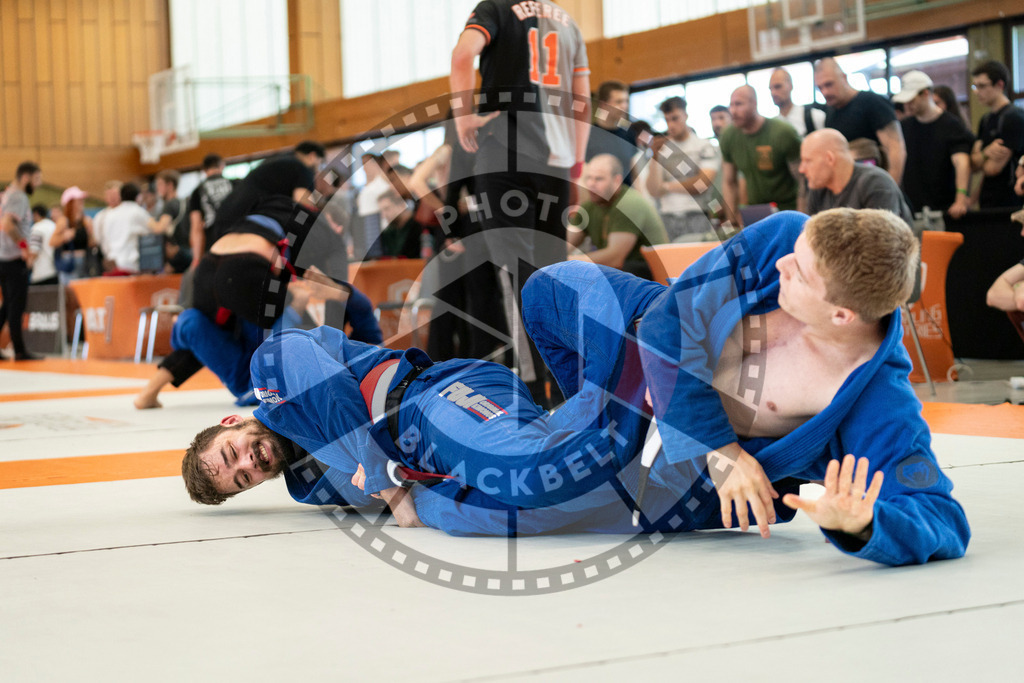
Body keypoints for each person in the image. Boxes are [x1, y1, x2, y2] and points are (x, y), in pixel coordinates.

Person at [181, 210, 970, 566]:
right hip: (634, 359)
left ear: (842, 312)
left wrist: (866, 525)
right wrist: (722, 446)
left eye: (797, 273)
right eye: (240, 475)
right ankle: (576, 423)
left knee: (531, 485)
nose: (781, 264)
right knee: (553, 288)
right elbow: (666, 329)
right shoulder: (780, 239)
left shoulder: (876, 402)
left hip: (657, 470)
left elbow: (942, 520)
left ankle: (551, 448)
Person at [450, 0, 591, 406]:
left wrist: (462, 118)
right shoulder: (570, 24)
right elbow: (581, 97)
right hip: (556, 163)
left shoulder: (495, 8)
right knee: (554, 278)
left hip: (504, 155)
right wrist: (576, 162)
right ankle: (573, 391)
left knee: (517, 278)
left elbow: (462, 56)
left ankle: (535, 397)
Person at [134, 195, 382, 410]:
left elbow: (357, 319)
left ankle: (150, 391)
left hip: (257, 378)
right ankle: (150, 391)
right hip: (257, 364)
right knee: (195, 320)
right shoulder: (293, 268)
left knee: (191, 321)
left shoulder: (300, 267)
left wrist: (321, 297)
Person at [892, 70, 974, 219]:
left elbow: (961, 162)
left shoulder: (951, 124)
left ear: (925, 94)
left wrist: (960, 199)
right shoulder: (904, 126)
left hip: (943, 209)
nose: (908, 106)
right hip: (912, 209)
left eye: (911, 100)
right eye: (905, 102)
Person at [569, 154, 667, 278]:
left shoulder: (629, 203)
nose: (591, 184)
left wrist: (567, 260)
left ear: (616, 180)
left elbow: (614, 258)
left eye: (599, 179)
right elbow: (565, 243)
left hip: (649, 274)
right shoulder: (590, 206)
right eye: (589, 178)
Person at [815, 57, 906, 185]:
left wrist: (891, 189)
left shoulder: (872, 102)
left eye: (829, 84)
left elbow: (895, 148)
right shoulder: (830, 114)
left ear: (844, 77)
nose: (825, 92)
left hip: (878, 185)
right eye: (820, 87)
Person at [720, 85, 803, 220]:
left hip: (788, 211)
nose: (733, 111)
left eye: (739, 104)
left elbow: (802, 181)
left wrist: (802, 219)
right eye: (731, 105)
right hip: (756, 213)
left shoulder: (783, 132)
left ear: (755, 104)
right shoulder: (728, 136)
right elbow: (729, 182)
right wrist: (732, 219)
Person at [801, 129, 913, 226]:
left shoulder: (875, 183)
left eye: (808, 161)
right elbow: (811, 240)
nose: (801, 169)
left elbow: (881, 244)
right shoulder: (818, 189)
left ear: (830, 159)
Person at [645, 96, 719, 241]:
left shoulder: (703, 146)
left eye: (675, 118)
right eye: (667, 120)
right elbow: (653, 191)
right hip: (668, 216)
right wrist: (654, 157)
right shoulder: (662, 149)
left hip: (697, 214)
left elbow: (701, 185)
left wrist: (666, 186)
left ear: (685, 116)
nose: (671, 125)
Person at [1, 161, 43, 360]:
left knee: (8, 304)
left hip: (3, 257)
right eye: (36, 180)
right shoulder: (18, 196)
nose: (37, 185)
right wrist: (24, 248)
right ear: (26, 177)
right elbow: (8, 225)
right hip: (12, 258)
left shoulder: (7, 194)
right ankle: (19, 350)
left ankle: (18, 348)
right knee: (16, 304)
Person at [969, 60, 1024, 210]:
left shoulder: (1013, 118)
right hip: (988, 202)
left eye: (982, 86)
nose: (976, 92)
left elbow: (992, 169)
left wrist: (980, 157)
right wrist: (986, 153)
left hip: (1010, 202)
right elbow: (972, 165)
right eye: (975, 86)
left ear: (999, 85)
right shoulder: (985, 120)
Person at [585, 80, 638, 185]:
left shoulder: (629, 134)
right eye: (618, 102)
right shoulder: (588, 136)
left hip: (627, 197)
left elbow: (635, 175)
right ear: (603, 104)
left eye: (626, 101)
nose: (624, 106)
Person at [92, 182, 151, 274]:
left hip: (131, 262)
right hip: (110, 261)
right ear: (105, 197)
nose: (113, 198)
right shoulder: (101, 217)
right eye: (109, 195)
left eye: (115, 194)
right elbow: (98, 240)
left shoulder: (132, 212)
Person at [188, 154, 235, 268]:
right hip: (237, 239)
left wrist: (196, 259)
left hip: (215, 244)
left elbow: (196, 228)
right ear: (222, 166)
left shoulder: (197, 191)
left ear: (204, 170)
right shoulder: (235, 184)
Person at [150, 169, 190, 272]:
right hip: (186, 251)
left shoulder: (170, 204)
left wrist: (146, 219)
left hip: (177, 254)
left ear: (170, 185)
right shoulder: (182, 202)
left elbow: (160, 228)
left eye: (160, 185)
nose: (158, 189)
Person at [769, 67, 825, 137]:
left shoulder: (815, 117)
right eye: (770, 88)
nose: (773, 93)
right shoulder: (771, 126)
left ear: (790, 86)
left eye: (778, 86)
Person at [27, 205, 58, 286]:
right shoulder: (53, 225)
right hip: (55, 270)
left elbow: (34, 251)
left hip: (41, 273)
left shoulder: (37, 228)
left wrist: (27, 266)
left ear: (36, 214)